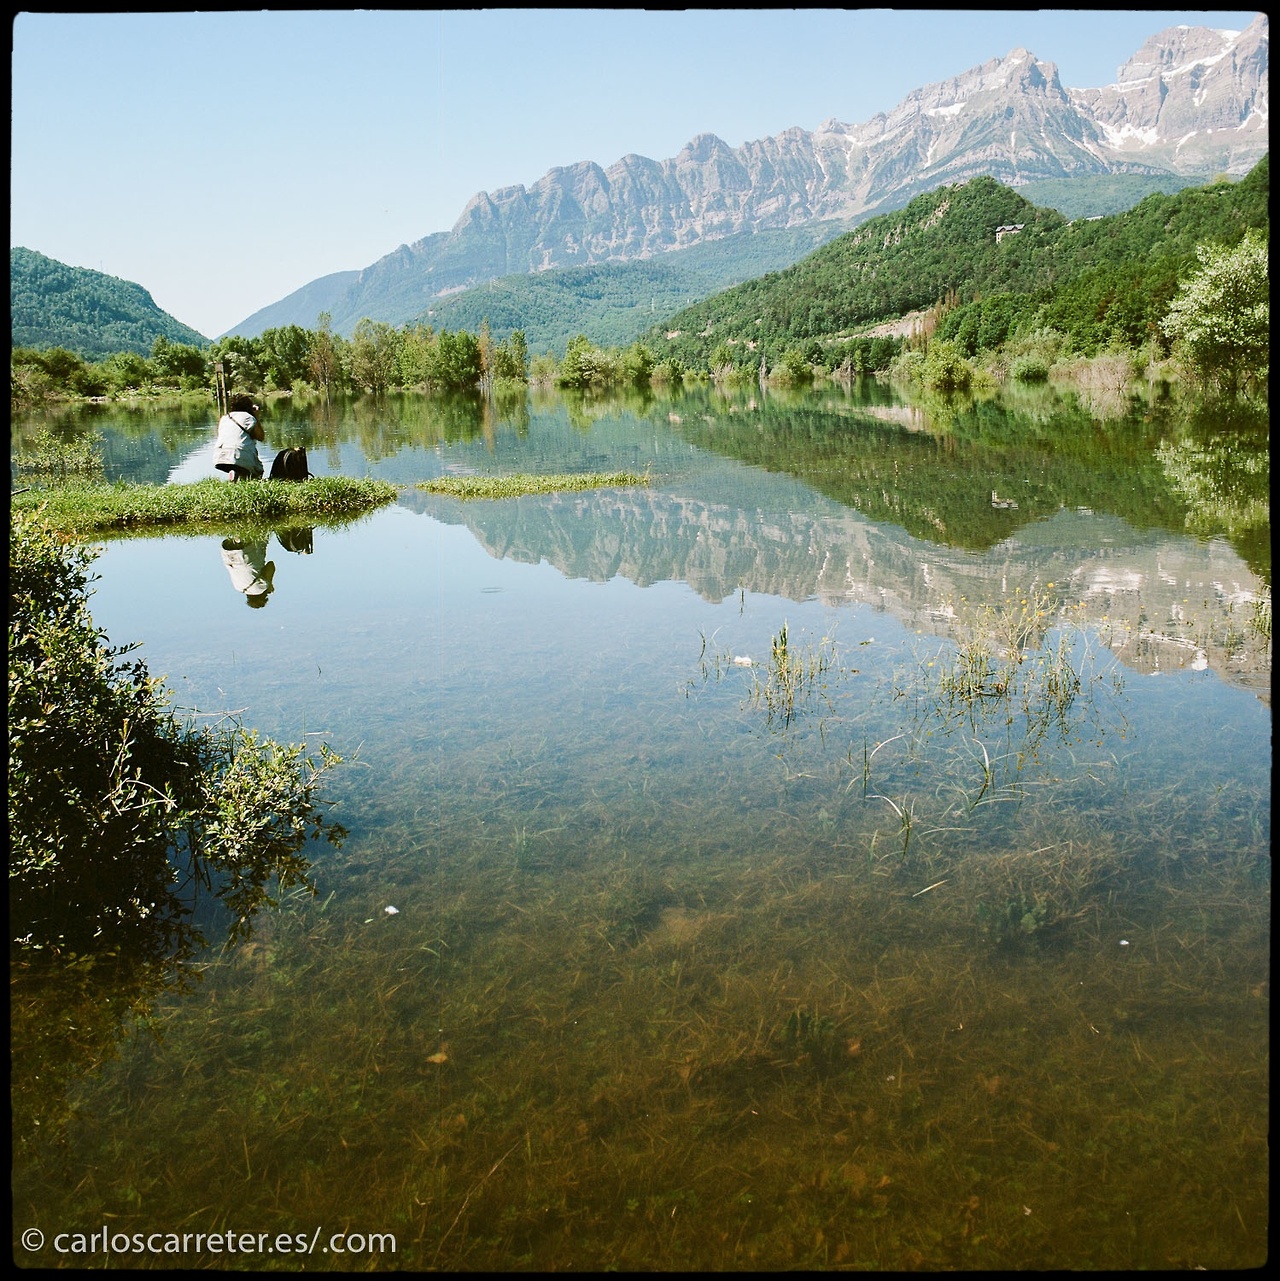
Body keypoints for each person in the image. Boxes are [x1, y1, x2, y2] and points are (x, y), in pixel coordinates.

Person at [213, 393, 265, 481]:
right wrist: (256, 416)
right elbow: (261, 437)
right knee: (258, 472)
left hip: (220, 457)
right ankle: (238, 474)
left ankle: (234, 473)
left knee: (240, 466)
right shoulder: (249, 418)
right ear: (249, 406)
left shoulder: (224, 418)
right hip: (239, 455)